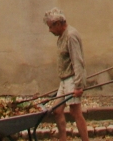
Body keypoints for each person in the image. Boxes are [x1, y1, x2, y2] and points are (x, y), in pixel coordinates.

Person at [43, 8, 89, 141]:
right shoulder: (62, 36)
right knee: (57, 111)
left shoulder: (71, 36)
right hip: (64, 80)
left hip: (72, 79)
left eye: (50, 27)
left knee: (75, 112)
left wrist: (78, 86)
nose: (50, 30)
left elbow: (77, 61)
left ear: (58, 24)